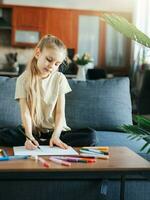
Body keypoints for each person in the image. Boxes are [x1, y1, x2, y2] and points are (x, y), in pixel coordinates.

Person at [0, 34, 97, 149]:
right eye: (49, 59)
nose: (52, 66)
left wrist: (56, 135)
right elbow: (25, 113)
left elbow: (60, 113)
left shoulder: (60, 78)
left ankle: (47, 143)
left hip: (56, 132)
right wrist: (29, 136)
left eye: (57, 64)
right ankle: (38, 143)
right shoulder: (23, 79)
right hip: (33, 132)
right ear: (37, 53)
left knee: (91, 135)